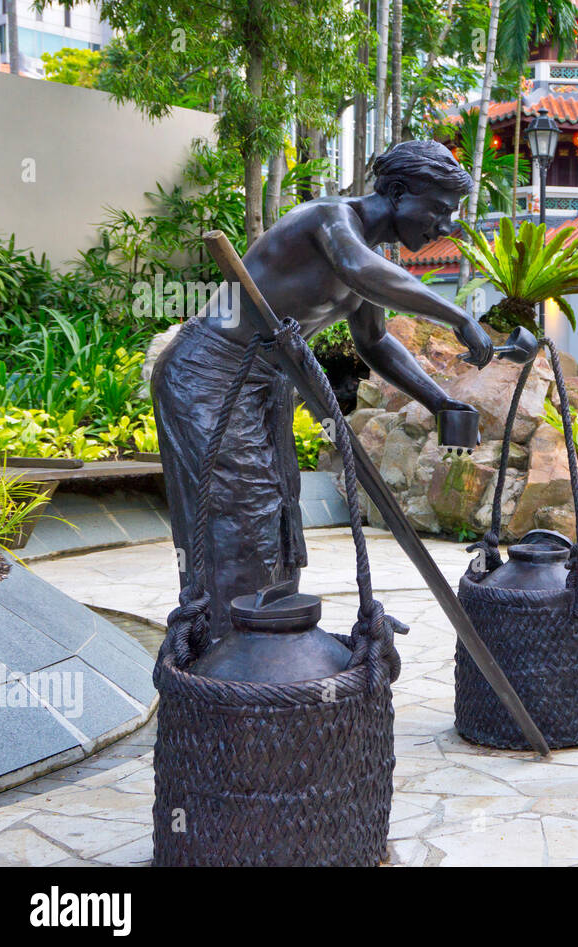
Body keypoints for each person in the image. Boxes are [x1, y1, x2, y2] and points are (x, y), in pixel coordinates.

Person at [153, 140, 494, 640]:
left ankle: (269, 644)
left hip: (266, 384)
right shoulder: (330, 219)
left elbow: (375, 342)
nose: (444, 226)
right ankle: (228, 655)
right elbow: (362, 273)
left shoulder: (362, 255)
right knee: (241, 516)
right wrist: (458, 315)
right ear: (398, 192)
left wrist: (438, 400)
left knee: (278, 516)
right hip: (207, 376)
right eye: (439, 210)